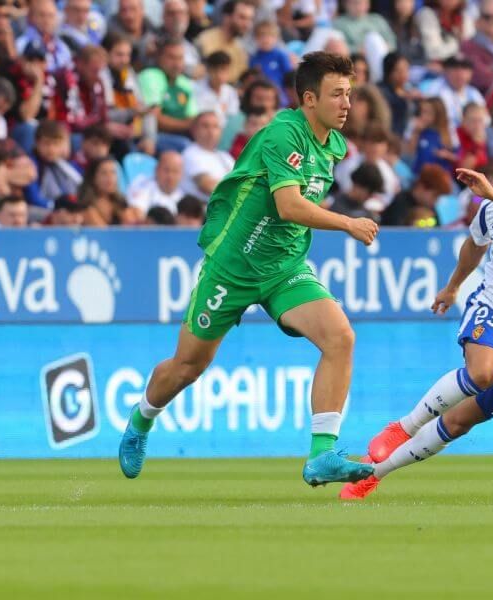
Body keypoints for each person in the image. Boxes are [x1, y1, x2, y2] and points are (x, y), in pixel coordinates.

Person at [118, 52, 379, 488]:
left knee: (340, 338)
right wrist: (347, 222)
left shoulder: (333, 144)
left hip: (284, 265)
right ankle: (142, 419)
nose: (347, 103)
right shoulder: (282, 134)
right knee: (188, 366)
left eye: (349, 94)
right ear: (309, 99)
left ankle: (321, 455)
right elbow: (289, 205)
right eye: (338, 94)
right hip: (233, 266)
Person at [339, 123, 493, 500]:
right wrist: (453, 287)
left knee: (459, 421)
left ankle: (372, 474)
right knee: (485, 372)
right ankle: (403, 426)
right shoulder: (492, 207)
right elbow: (474, 245)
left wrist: (491, 196)